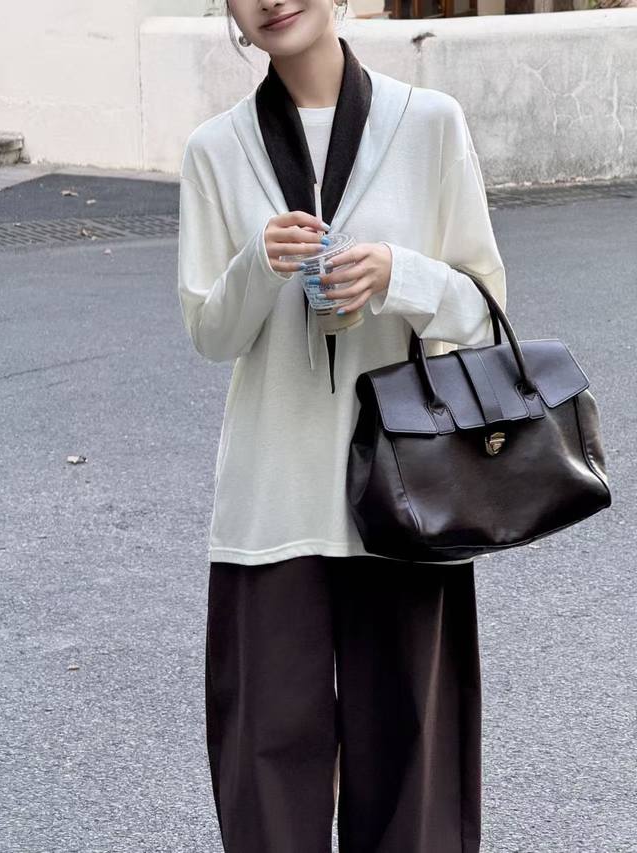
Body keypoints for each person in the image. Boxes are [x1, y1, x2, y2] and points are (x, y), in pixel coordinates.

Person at [177, 0, 506, 848]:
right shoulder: (216, 149)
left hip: (406, 501)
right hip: (271, 509)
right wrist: (260, 262)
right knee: (265, 780)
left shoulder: (428, 124)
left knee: (413, 780)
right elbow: (210, 334)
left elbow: (484, 310)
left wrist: (397, 274)